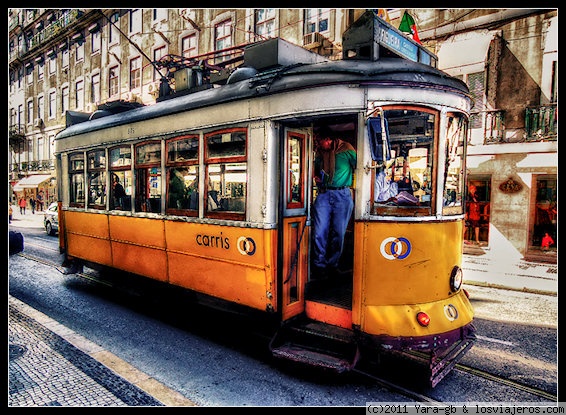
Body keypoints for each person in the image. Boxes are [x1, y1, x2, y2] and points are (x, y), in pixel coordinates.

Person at [311, 126, 357, 279]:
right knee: (319, 232)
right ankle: (319, 265)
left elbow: (361, 166)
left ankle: (332, 264)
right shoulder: (320, 154)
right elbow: (316, 171)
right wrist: (317, 177)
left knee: (338, 232)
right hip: (324, 193)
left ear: (328, 140)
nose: (318, 144)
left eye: (319, 140)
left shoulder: (347, 150)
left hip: (342, 194)